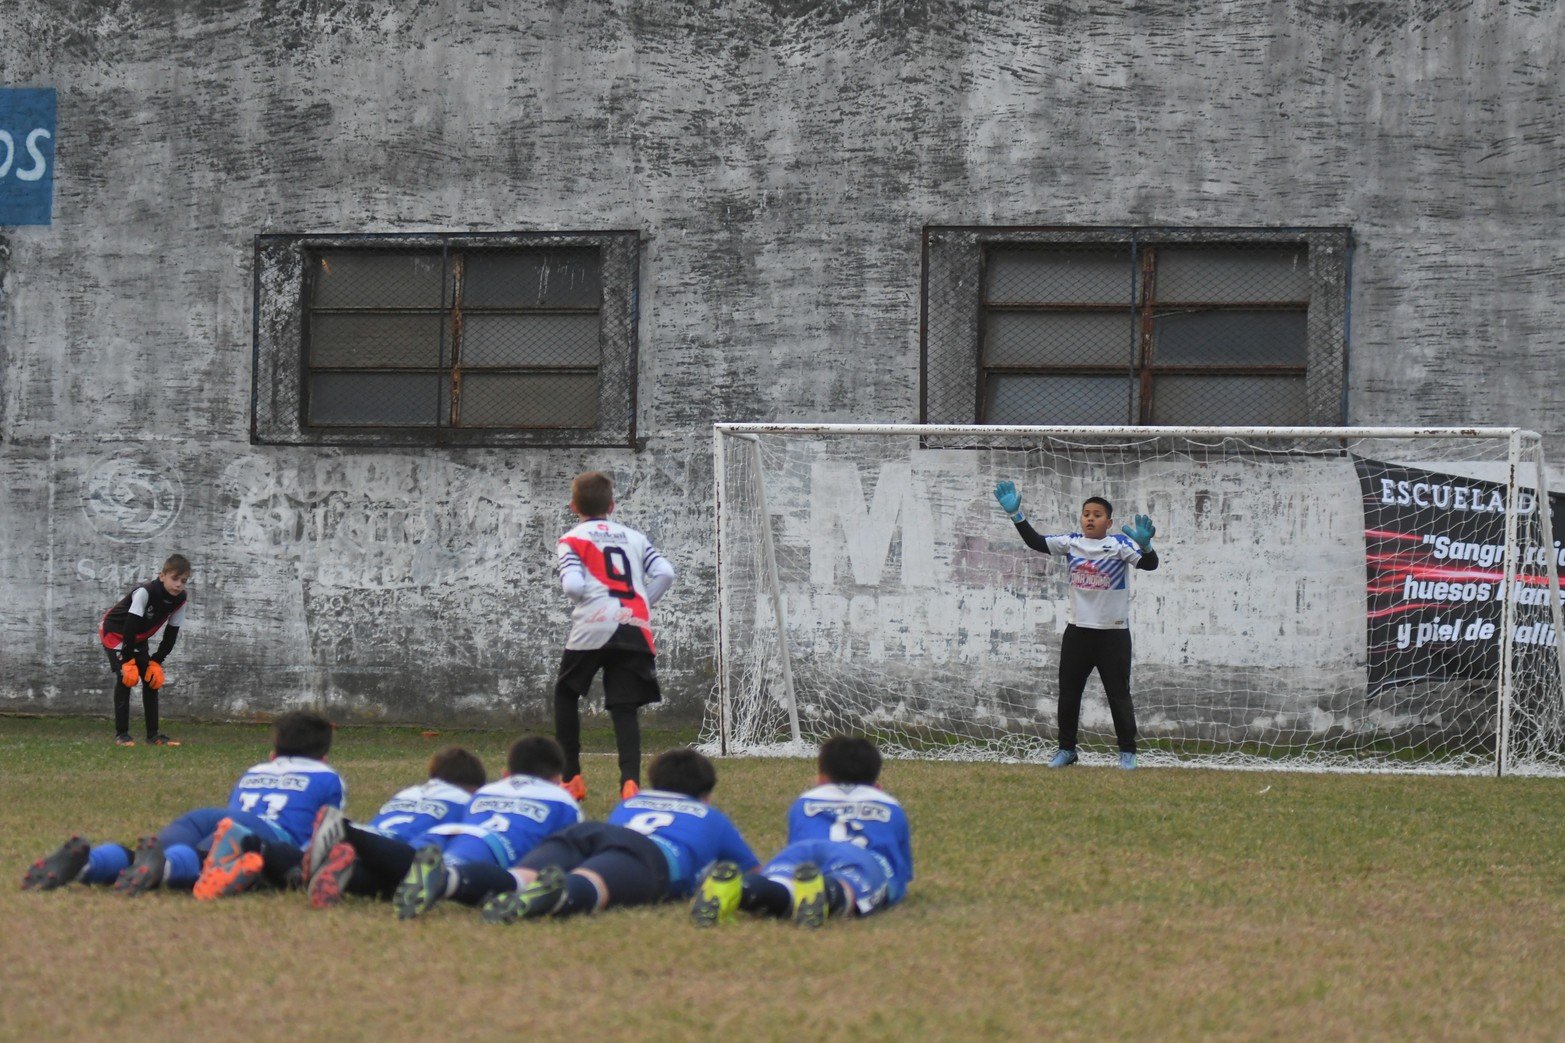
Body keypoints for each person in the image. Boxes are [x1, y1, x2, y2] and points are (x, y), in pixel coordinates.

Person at [21, 710, 344, 898]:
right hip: (259, 832)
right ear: (324, 755)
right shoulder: (328, 777)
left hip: (206, 817)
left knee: (148, 856)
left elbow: (235, 813)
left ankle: (88, 864)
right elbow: (324, 833)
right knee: (202, 860)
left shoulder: (256, 770)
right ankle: (166, 870)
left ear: (274, 752)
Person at [478, 747, 759, 924]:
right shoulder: (710, 816)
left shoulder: (630, 803)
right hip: (648, 854)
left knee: (520, 875)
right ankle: (556, 896)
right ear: (705, 795)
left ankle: (463, 881)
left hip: (593, 832)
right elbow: (754, 873)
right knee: (590, 881)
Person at [993, 482, 1159, 769]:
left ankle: (1127, 752)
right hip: (1078, 632)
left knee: (1118, 695)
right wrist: (1016, 515)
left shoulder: (1120, 545)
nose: (1090, 518)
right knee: (1069, 694)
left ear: (1108, 521)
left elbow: (1149, 564)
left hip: (1113, 634)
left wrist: (1146, 546)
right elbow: (1036, 541)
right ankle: (1067, 750)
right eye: (1086, 514)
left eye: (1097, 514)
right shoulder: (1071, 543)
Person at [691, 735, 913, 928]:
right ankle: (827, 892)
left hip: (802, 852)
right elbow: (900, 870)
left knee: (781, 886)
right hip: (859, 857)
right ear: (877, 785)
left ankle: (742, 890)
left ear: (821, 779)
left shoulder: (805, 800)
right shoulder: (889, 805)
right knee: (849, 888)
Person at [553, 470, 676, 802]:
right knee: (624, 707)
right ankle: (630, 783)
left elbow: (573, 585)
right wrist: (640, 604)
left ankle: (571, 777)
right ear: (612, 504)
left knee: (566, 693)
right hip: (633, 622)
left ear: (573, 505)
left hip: (593, 623)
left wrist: (591, 600)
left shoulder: (572, 539)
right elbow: (665, 572)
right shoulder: (634, 538)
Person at [385, 735, 583, 919]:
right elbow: (568, 850)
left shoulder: (486, 791)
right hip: (491, 844)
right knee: (453, 871)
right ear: (558, 779)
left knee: (395, 872)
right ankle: (442, 879)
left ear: (507, 774)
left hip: (445, 834)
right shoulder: (564, 801)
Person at [300, 745, 487, 908]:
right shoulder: (467, 801)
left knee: (388, 887)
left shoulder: (409, 792)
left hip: (373, 839)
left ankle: (340, 872)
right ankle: (343, 830)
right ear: (475, 788)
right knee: (417, 869)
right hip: (394, 848)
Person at [99, 553, 191, 747]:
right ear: (162, 576)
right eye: (174, 579)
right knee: (127, 677)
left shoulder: (180, 599)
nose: (178, 585)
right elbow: (130, 626)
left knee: (151, 679)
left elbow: (171, 633)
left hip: (137, 637)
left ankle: (153, 736)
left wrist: (157, 660)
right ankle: (122, 735)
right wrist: (126, 660)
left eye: (183, 581)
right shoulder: (146, 592)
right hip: (116, 633)